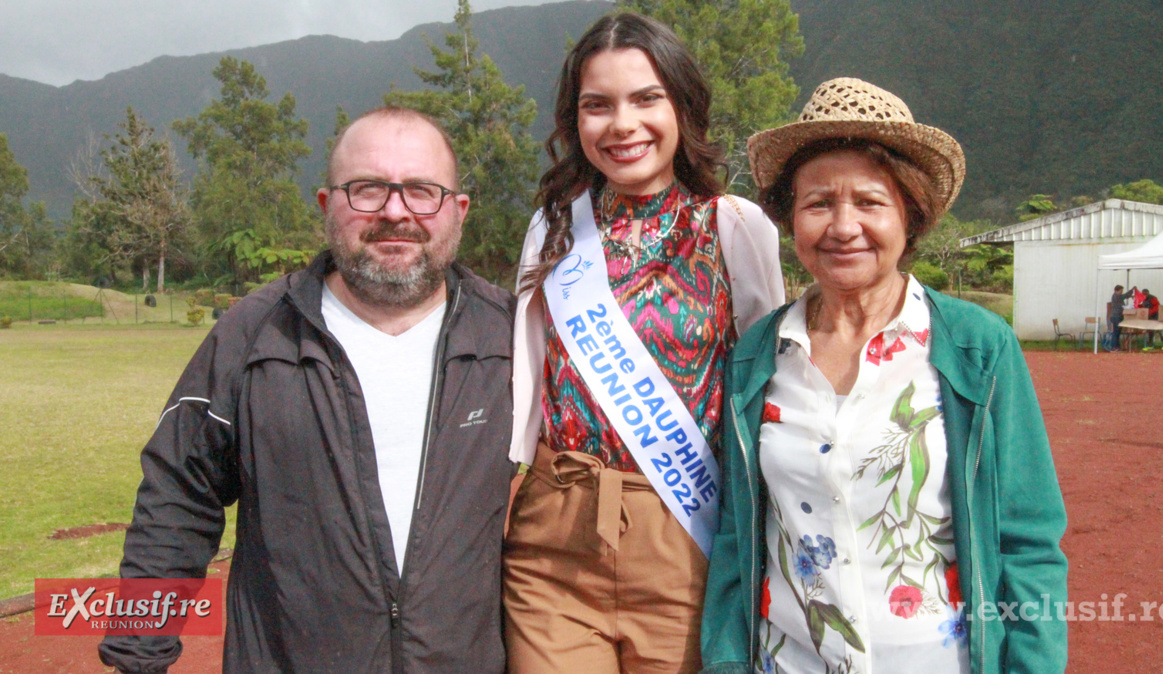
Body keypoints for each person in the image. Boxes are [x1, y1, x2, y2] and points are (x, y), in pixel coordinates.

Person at [99, 108, 515, 673]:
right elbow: (177, 498)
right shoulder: (253, 334)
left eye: (422, 190)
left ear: (457, 212)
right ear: (326, 205)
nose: (396, 211)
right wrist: (136, 660)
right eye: (367, 189)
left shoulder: (511, 337)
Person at [701, 78, 1068, 673]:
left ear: (910, 214)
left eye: (870, 202)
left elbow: (1028, 540)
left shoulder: (977, 347)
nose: (843, 227)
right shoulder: (756, 357)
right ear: (791, 221)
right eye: (818, 203)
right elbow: (736, 543)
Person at [503, 12, 784, 673]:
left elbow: (768, 385)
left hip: (686, 537)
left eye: (646, 98)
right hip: (555, 539)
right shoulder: (551, 228)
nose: (622, 125)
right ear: (575, 123)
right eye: (596, 106)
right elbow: (524, 374)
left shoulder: (735, 226)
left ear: (681, 105)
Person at [1107, 284, 1135, 351]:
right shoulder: (1116, 296)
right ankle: (1114, 347)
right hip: (1116, 316)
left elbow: (1124, 296)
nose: (1122, 292)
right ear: (1117, 291)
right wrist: (1132, 290)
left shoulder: (1116, 296)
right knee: (1116, 332)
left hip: (1117, 316)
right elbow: (1124, 296)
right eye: (1121, 290)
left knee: (1117, 332)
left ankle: (1117, 347)